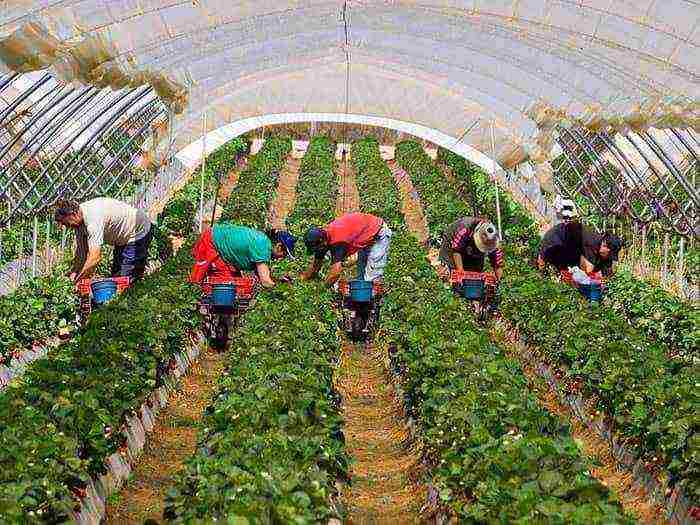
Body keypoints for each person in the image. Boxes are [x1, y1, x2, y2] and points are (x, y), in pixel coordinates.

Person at [54, 197, 154, 283]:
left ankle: (135, 300)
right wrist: (74, 272)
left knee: (124, 279)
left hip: (137, 232)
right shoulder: (78, 224)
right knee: (117, 275)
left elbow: (95, 258)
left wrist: (79, 279)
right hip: (122, 238)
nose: (67, 227)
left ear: (73, 214)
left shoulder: (92, 218)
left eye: (66, 223)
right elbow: (81, 253)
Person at [190, 223, 295, 288]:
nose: (282, 258)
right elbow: (265, 282)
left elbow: (262, 275)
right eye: (284, 254)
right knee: (225, 287)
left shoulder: (264, 242)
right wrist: (282, 290)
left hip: (223, 250)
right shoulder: (263, 245)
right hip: (212, 243)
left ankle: (222, 320)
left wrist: (278, 280)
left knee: (236, 287)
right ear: (279, 246)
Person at [302, 212, 392, 286]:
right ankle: (362, 297)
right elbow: (315, 266)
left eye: (317, 248)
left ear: (323, 242)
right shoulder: (323, 239)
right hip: (365, 234)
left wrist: (323, 289)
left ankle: (372, 302)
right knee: (361, 274)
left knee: (372, 274)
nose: (317, 251)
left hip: (378, 232)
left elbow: (335, 273)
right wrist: (302, 280)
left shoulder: (338, 241)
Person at [537, 221, 623, 278]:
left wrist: (606, 273)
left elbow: (608, 270)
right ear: (604, 245)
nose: (608, 257)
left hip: (570, 247)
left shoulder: (601, 246)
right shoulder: (591, 242)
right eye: (609, 254)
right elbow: (588, 270)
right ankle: (544, 272)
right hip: (557, 241)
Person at [439, 217, 504, 280]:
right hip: (452, 245)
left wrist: (499, 282)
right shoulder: (464, 228)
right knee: (451, 272)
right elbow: (456, 250)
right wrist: (461, 273)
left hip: (473, 250)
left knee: (475, 275)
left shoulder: (494, 240)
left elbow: (498, 264)